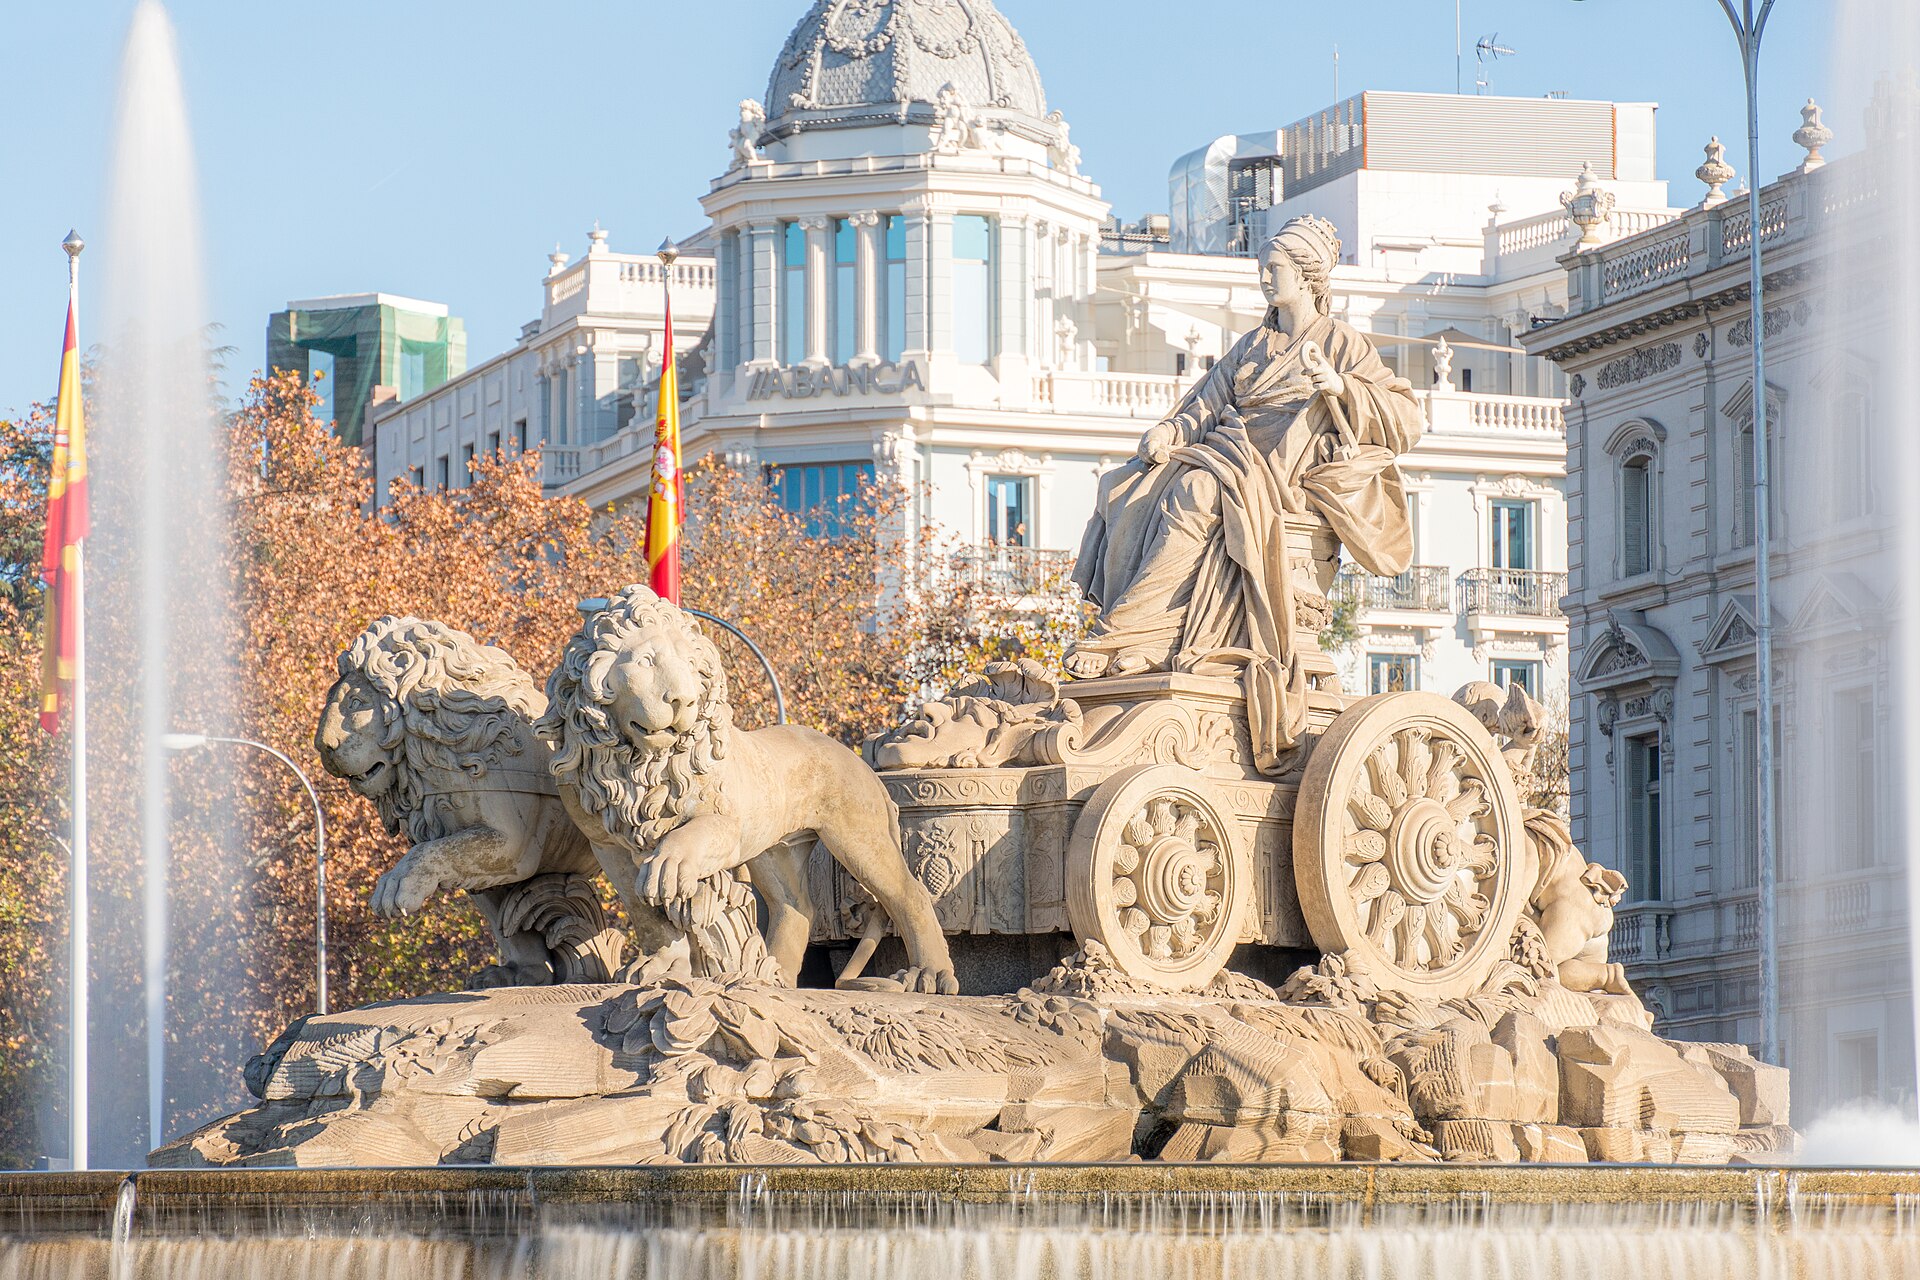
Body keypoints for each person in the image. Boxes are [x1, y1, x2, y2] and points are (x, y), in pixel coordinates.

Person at [1065, 215, 1423, 770]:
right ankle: (1144, 634)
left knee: (1197, 491)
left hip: (1287, 479)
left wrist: (1340, 386)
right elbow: (1206, 405)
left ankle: (1133, 631)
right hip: (1237, 455)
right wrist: (1170, 431)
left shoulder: (1343, 344)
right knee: (1128, 488)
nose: (1263, 277)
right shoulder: (1254, 345)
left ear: (1306, 277)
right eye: (1262, 267)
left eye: (1274, 268)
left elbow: (1407, 419)